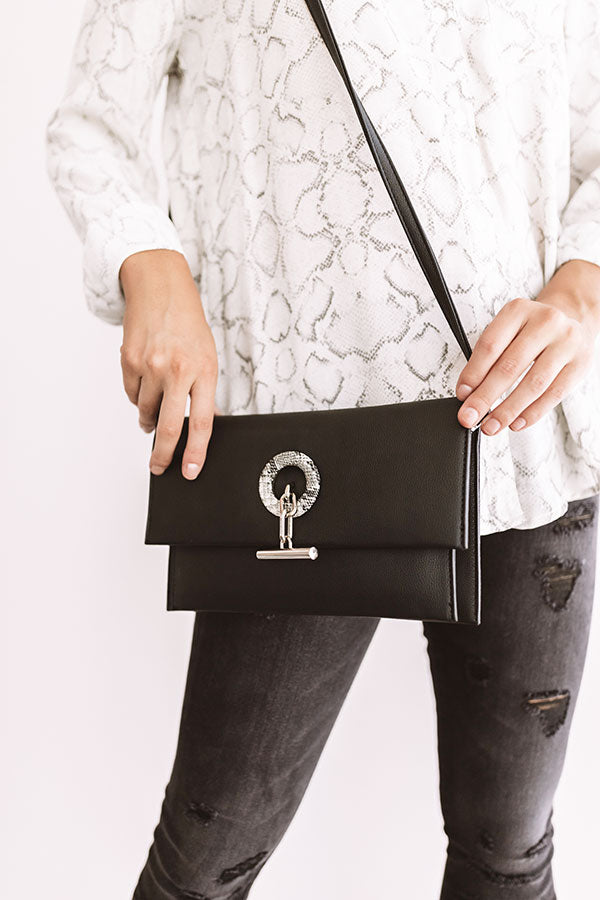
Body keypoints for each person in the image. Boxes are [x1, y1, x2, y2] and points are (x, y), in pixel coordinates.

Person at [45, 1, 600, 897]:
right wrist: (154, 268)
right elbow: (91, 125)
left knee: (510, 855)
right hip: (304, 457)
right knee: (200, 870)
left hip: (526, 434)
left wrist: (583, 292)